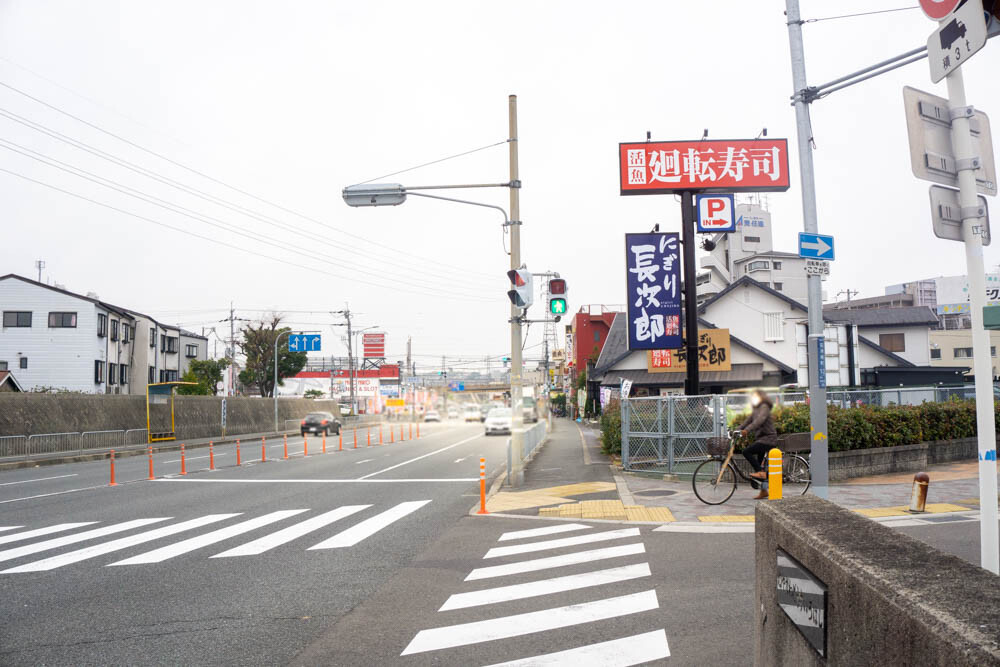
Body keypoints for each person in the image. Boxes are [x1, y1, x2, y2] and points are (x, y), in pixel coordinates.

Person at [739, 389, 777, 500]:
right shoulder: (756, 409)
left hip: (768, 439)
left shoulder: (764, 407)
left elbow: (759, 420)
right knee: (759, 467)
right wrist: (736, 430)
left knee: (747, 451)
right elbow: (747, 421)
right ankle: (764, 491)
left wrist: (747, 430)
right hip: (761, 440)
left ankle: (761, 474)